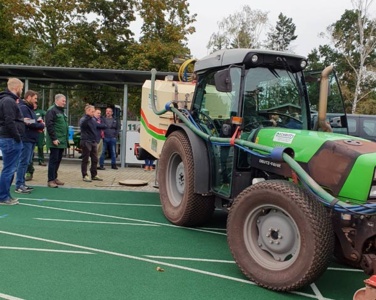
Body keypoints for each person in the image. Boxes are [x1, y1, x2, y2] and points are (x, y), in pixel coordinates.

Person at [0, 78, 24, 205]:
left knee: (10, 168)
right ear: (16, 88)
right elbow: (9, 121)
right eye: (21, 88)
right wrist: (17, 136)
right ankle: (3, 196)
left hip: (9, 138)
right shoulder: (8, 101)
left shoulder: (7, 100)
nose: (21, 91)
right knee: (8, 169)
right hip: (10, 139)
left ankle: (6, 195)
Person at [15, 90, 45, 194]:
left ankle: (22, 183)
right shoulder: (23, 108)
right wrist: (40, 124)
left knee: (26, 162)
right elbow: (27, 121)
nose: (36, 100)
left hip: (31, 139)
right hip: (26, 138)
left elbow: (32, 121)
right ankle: (19, 184)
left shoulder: (29, 108)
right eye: (35, 98)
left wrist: (37, 122)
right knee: (23, 162)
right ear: (29, 97)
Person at [45, 94, 69, 188]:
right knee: (53, 160)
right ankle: (50, 180)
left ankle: (54, 177)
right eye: (63, 101)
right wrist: (54, 138)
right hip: (55, 140)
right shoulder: (52, 110)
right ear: (57, 100)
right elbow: (49, 125)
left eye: (65, 101)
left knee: (58, 160)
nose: (64, 102)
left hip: (62, 140)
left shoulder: (61, 111)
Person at [79, 105, 103, 182]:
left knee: (95, 159)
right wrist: (88, 117)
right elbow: (82, 125)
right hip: (86, 141)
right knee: (85, 159)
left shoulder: (93, 120)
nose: (93, 113)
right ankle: (85, 175)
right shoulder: (83, 119)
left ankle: (94, 174)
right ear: (88, 111)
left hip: (93, 141)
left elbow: (96, 128)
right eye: (92, 111)